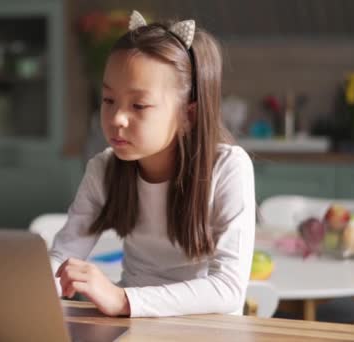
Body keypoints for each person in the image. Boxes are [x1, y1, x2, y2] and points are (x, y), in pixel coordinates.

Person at [50, 10, 255, 318]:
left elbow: (227, 288)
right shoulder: (104, 169)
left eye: (139, 105)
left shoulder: (228, 167)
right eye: (108, 100)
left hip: (207, 331)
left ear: (189, 115)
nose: (117, 118)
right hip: (133, 326)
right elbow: (63, 254)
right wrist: (38, 286)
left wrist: (123, 300)